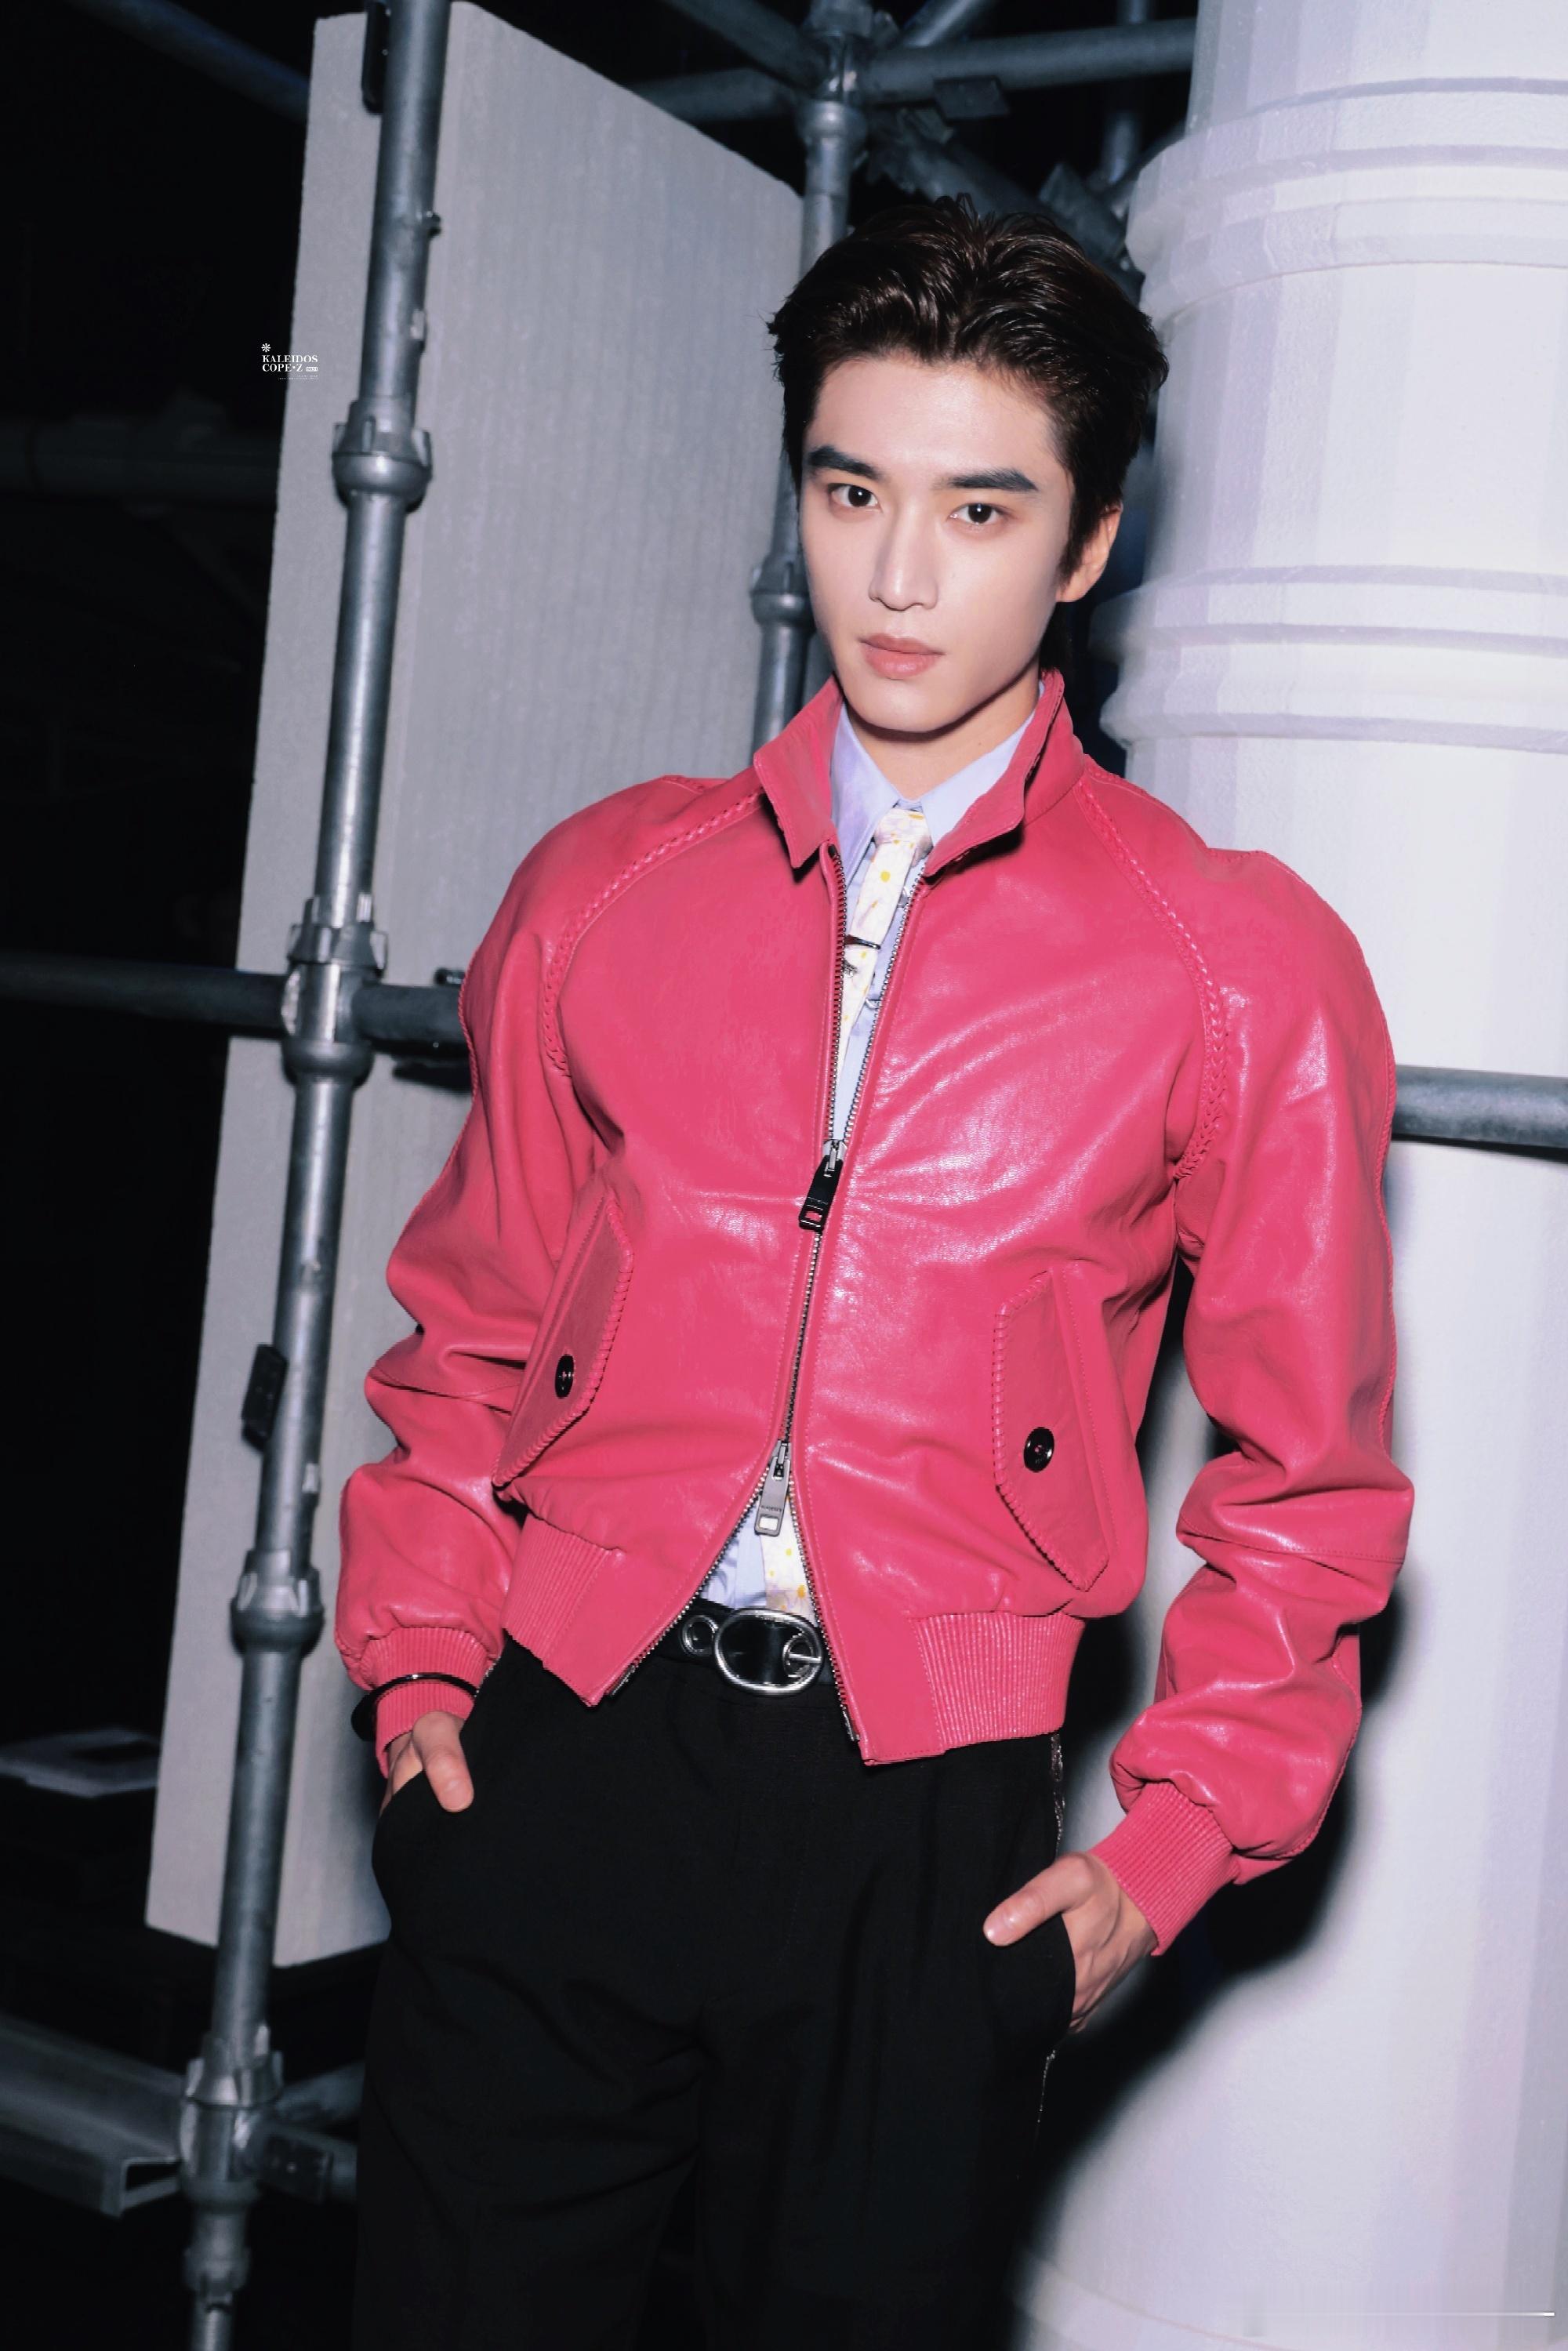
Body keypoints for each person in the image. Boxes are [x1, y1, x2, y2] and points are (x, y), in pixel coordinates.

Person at [336, 194, 1415, 2349]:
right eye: (852, 493)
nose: (900, 578)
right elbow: (473, 1324)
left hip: (923, 1830)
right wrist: (420, 1667)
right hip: (559, 1758)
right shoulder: (607, 884)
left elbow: (1310, 1487)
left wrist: (1172, 1848)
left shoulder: (1237, 967)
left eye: (980, 509)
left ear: (1089, 544)